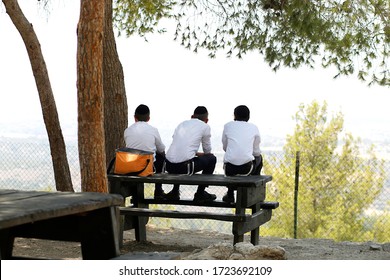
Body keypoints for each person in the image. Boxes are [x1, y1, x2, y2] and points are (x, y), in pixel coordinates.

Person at [165, 106, 217, 203]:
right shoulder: (205, 126)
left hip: (169, 165)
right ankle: (200, 193)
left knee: (180, 159)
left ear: (192, 116)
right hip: (185, 167)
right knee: (212, 159)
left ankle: (175, 191)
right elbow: (207, 151)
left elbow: (179, 145)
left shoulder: (182, 124)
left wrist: (195, 153)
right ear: (206, 120)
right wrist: (201, 154)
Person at [222, 105, 263, 203]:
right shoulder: (253, 128)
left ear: (234, 116)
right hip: (247, 169)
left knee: (231, 162)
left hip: (229, 169)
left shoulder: (228, 126)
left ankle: (230, 194)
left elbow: (225, 147)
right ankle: (252, 192)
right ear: (248, 116)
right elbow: (256, 151)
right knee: (259, 158)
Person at [124, 104, 166, 199]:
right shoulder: (153, 130)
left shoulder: (127, 130)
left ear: (135, 117)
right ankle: (158, 190)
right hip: (147, 167)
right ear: (148, 118)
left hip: (131, 166)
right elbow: (161, 149)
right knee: (161, 157)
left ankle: (135, 195)